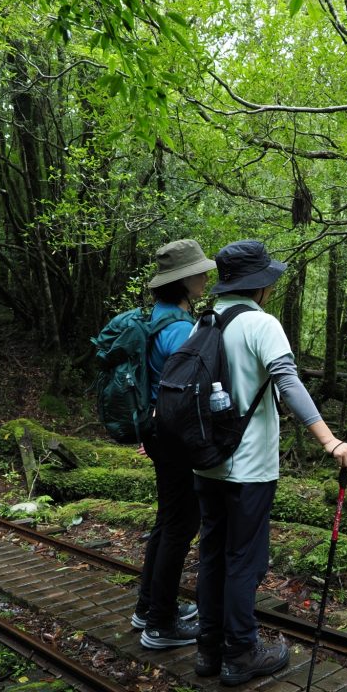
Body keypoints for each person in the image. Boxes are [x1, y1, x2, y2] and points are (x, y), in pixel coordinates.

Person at [193, 240, 347, 684]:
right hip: (248, 468)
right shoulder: (260, 324)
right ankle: (242, 653)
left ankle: (208, 651)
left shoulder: (203, 323)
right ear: (260, 285)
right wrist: (330, 441)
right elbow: (287, 382)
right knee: (244, 561)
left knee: (212, 556)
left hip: (206, 464)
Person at [131, 239, 217, 649]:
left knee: (168, 520)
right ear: (183, 281)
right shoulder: (182, 329)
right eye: (200, 271)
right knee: (181, 524)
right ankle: (161, 625)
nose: (205, 276)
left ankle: (148, 607)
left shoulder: (157, 318)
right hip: (174, 434)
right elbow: (189, 392)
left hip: (156, 429)